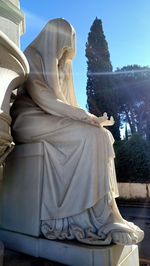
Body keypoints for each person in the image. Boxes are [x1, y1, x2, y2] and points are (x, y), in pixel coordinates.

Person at [11, 18, 144, 245]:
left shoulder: (61, 63)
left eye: (67, 47)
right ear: (53, 38)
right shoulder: (33, 56)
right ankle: (74, 216)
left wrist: (91, 120)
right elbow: (46, 99)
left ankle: (102, 213)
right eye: (63, 45)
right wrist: (85, 118)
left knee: (100, 135)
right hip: (30, 119)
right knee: (88, 135)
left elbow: (69, 101)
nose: (65, 52)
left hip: (53, 116)